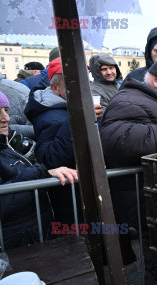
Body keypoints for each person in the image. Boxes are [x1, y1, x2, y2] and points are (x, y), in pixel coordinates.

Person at [100, 52, 157, 273]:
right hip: (144, 204)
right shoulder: (127, 99)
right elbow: (118, 140)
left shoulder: (147, 100)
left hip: (154, 201)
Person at [24, 57, 102, 225]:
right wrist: (76, 120)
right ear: (55, 88)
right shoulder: (50, 116)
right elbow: (51, 159)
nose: (83, 88)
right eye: (73, 83)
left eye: (84, 81)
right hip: (71, 201)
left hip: (83, 196)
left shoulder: (69, 107)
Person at [0, 91, 78, 250]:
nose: (6, 118)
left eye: (6, 111)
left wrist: (45, 173)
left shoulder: (5, 146)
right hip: (16, 251)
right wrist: (41, 173)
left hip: (32, 239)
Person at [0, 72, 34, 138]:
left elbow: (39, 127)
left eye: (6, 110)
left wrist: (10, 129)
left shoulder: (18, 91)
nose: (7, 118)